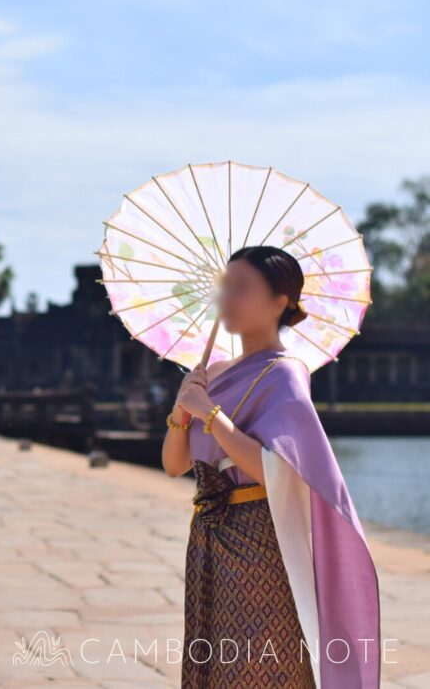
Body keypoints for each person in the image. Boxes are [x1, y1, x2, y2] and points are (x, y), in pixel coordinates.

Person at [162, 245, 380, 688]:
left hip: (259, 541)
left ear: (280, 301)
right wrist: (181, 410)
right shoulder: (212, 373)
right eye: (226, 287)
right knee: (214, 662)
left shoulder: (285, 373)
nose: (228, 298)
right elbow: (175, 463)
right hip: (208, 537)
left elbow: (276, 470)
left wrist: (209, 414)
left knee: (261, 664)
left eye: (242, 288)